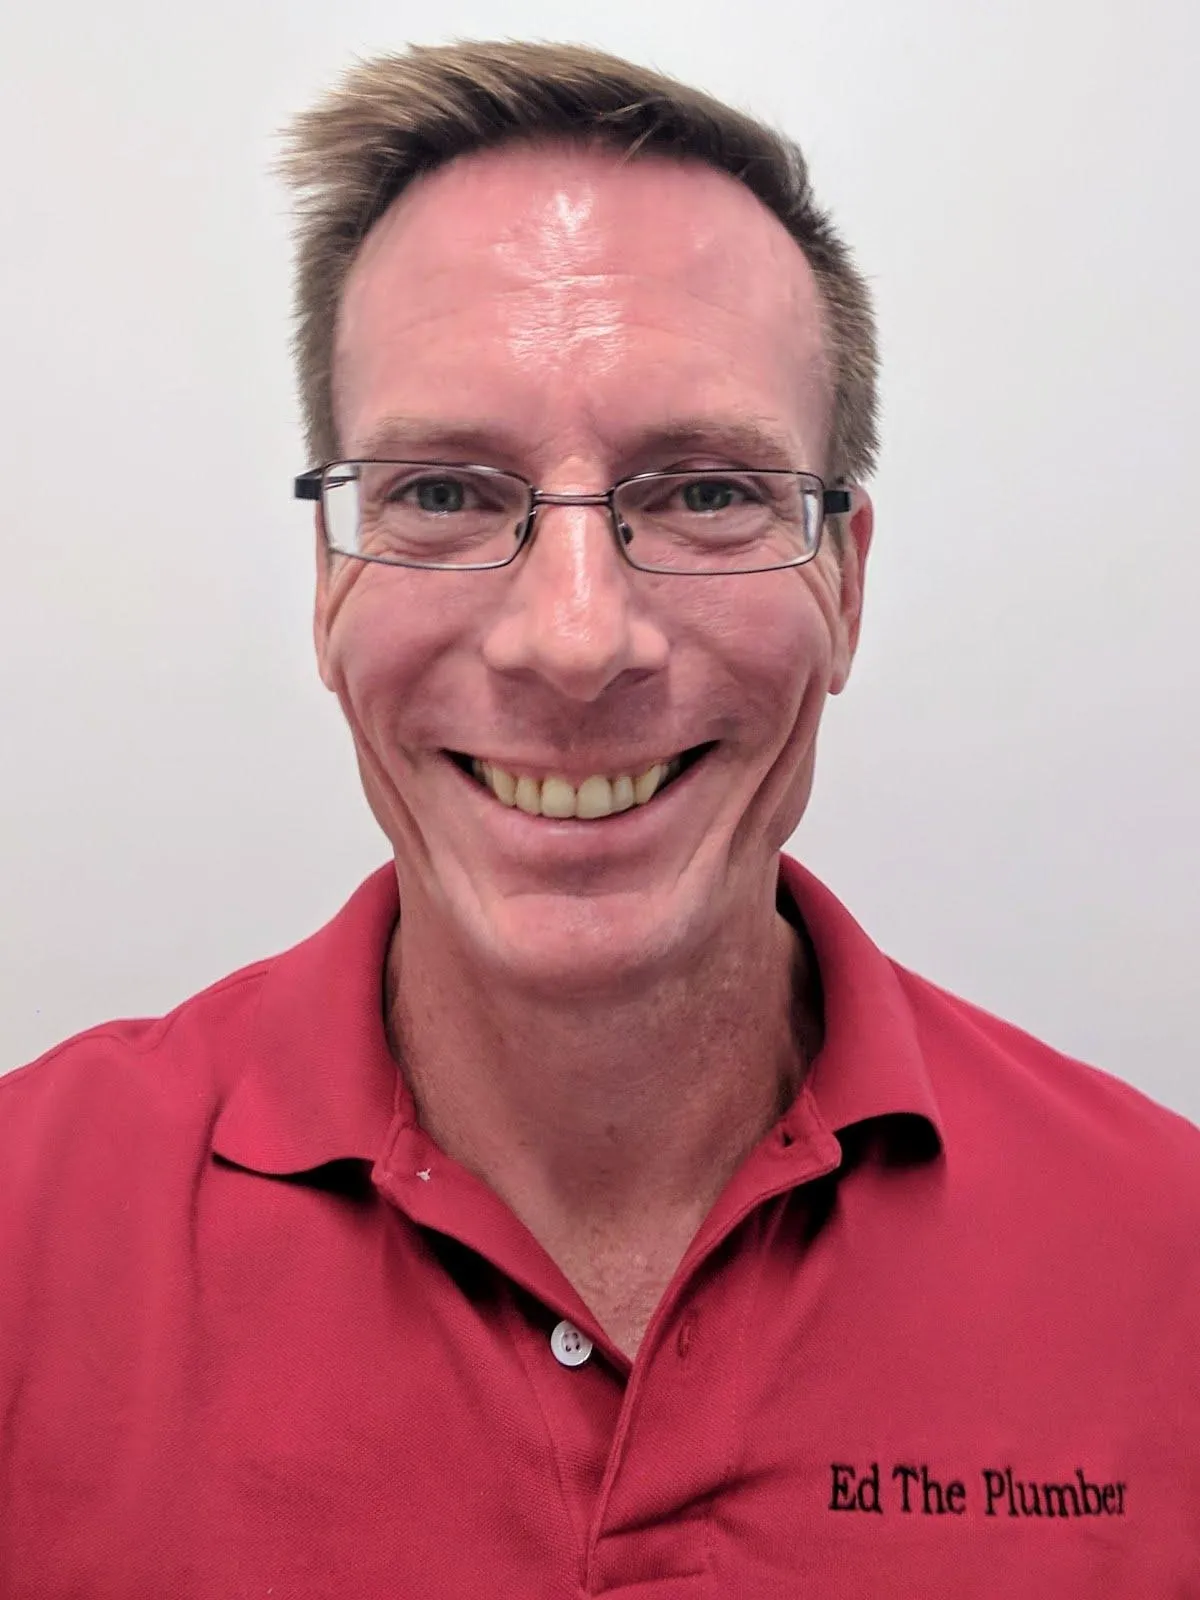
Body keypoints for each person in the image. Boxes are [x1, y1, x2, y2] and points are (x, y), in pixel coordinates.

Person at [1, 39, 1196, 1600]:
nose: (573, 641)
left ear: (844, 584)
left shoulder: (1166, 1266)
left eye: (706, 493)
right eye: (443, 494)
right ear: (327, 587)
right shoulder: (26, 1240)